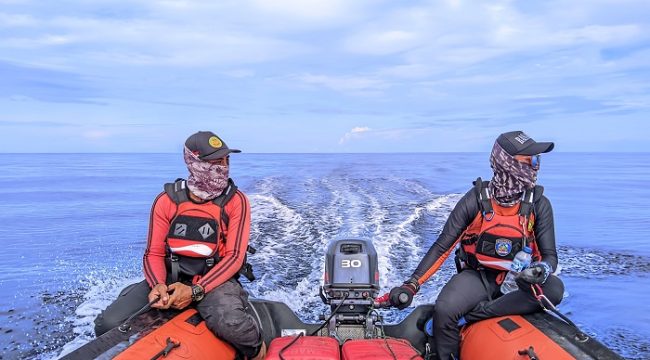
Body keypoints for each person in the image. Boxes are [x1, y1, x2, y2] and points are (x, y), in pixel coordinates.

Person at [378, 131, 564, 360]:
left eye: (538, 160)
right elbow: (442, 246)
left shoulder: (539, 205)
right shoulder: (475, 200)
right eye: (531, 160)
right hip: (480, 277)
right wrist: (412, 285)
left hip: (520, 281)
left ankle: (476, 314)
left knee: (554, 289)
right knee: (445, 309)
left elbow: (550, 256)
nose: (536, 166)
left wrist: (541, 270)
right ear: (506, 162)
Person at [94, 131, 265, 359]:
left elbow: (234, 257)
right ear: (194, 163)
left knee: (231, 325)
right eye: (215, 162)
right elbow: (153, 253)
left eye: (226, 161)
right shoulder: (166, 201)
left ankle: (258, 351)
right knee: (108, 324)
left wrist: (196, 290)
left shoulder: (236, 202)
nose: (223, 167)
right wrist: (158, 285)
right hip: (171, 278)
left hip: (214, 281)